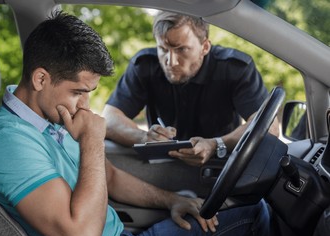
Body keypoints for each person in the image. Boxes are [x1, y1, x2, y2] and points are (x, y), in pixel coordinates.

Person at [0, 11, 269, 236]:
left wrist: (171, 200)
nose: (86, 107)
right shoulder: (8, 141)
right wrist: (91, 141)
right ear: (40, 79)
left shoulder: (48, 117)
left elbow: (111, 178)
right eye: (78, 92)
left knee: (255, 214)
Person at [102, 11, 279, 167]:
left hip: (220, 168)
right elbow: (110, 119)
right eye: (163, 49)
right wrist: (144, 138)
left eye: (181, 49)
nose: (171, 62)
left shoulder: (234, 69)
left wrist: (216, 144)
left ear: (205, 47)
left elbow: (269, 127)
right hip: (163, 168)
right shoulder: (144, 65)